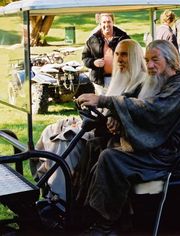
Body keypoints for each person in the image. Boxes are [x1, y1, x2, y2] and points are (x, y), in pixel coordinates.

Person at [76, 40, 180, 234]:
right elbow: (129, 97)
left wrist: (103, 100)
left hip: (170, 156)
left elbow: (153, 110)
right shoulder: (156, 80)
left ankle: (107, 225)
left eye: (155, 60)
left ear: (170, 60)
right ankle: (81, 210)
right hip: (155, 148)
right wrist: (114, 117)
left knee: (111, 158)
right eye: (147, 60)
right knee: (96, 144)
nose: (149, 65)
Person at [30, 39, 147, 202]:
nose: (119, 59)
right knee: (51, 131)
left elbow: (132, 111)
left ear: (135, 57)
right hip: (98, 127)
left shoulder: (141, 83)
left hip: (112, 137)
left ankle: (62, 198)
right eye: (117, 54)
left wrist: (112, 117)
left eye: (125, 55)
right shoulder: (119, 78)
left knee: (65, 141)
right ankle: (49, 189)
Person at [82, 13, 130, 95]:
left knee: (117, 104)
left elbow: (132, 54)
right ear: (100, 24)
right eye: (104, 22)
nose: (106, 25)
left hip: (119, 79)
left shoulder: (123, 38)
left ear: (113, 22)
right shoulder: (93, 39)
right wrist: (93, 63)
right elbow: (85, 58)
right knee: (103, 105)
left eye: (109, 22)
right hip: (100, 81)